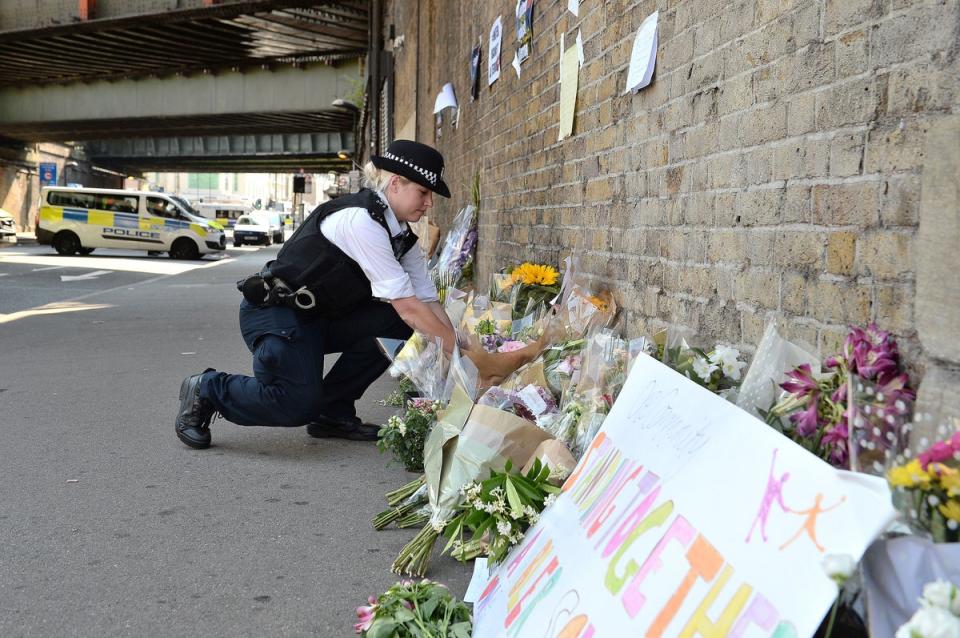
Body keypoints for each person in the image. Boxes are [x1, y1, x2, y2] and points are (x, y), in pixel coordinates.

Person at [174, 140, 534, 449]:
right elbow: (409, 307)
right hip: (276, 316)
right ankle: (208, 388)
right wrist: (474, 363)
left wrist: (460, 346)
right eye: (423, 193)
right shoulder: (361, 221)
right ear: (395, 184)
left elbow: (426, 302)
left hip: (319, 319)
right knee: (295, 405)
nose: (428, 204)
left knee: (397, 325)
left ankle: (333, 411)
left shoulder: (402, 237)